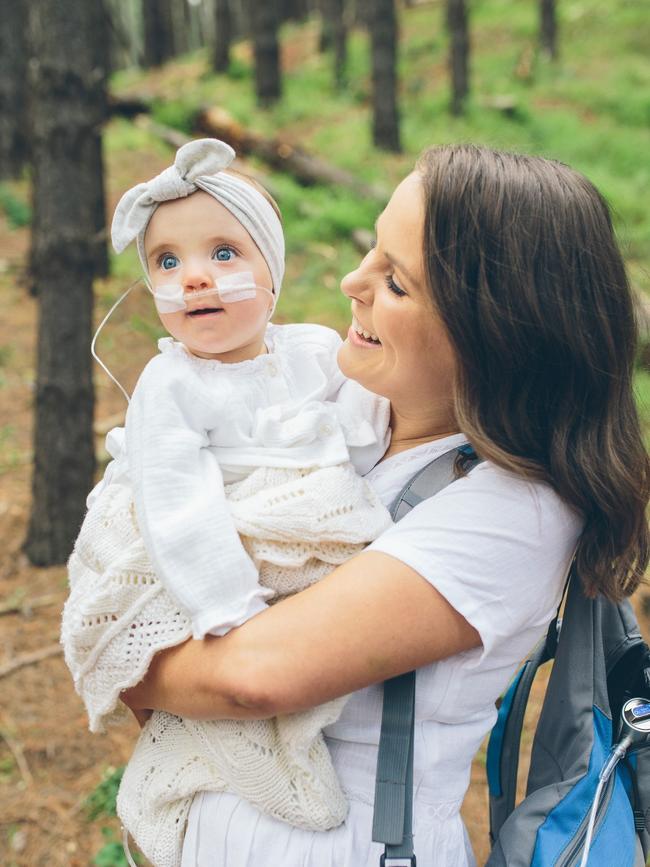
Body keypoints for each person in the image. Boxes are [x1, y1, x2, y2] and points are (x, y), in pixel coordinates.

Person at [121, 144, 650, 867]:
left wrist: (120, 652)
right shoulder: (337, 402)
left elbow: (251, 678)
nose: (351, 280)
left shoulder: (517, 512)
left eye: (396, 282)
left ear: (492, 331)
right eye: (373, 248)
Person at [61, 138, 394, 867]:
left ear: (271, 273)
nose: (195, 281)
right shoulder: (171, 384)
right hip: (225, 586)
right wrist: (228, 607)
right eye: (167, 262)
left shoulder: (310, 350)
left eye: (223, 253)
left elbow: (367, 415)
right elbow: (176, 506)